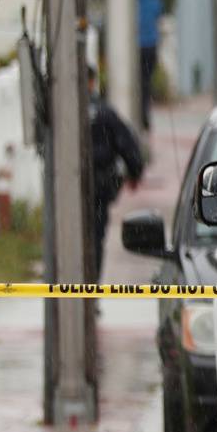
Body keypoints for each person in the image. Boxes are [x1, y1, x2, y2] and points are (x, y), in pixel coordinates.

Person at [88, 68, 145, 280]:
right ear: (93, 83)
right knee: (95, 238)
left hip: (71, 190)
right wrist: (135, 172)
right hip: (100, 187)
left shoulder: (65, 111)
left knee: (74, 239)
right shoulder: (104, 112)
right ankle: (91, 289)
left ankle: (78, 290)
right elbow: (126, 144)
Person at [137, 0, 164, 131]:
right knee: (146, 82)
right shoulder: (154, 1)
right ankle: (145, 114)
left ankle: (142, 112)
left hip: (139, 47)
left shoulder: (134, 2)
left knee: (141, 82)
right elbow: (158, 17)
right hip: (151, 47)